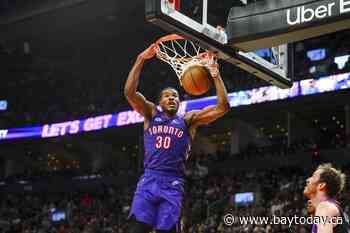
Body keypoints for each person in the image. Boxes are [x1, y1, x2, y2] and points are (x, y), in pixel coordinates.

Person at [124, 43, 229, 233]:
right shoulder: (150, 114)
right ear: (159, 102)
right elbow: (130, 93)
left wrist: (215, 74)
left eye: (175, 96)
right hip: (149, 180)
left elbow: (222, 107)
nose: (172, 98)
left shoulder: (188, 120)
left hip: (172, 183)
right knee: (136, 229)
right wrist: (141, 59)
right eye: (167, 96)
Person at [303, 163, 349, 233]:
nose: (307, 180)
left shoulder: (324, 207)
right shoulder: (330, 207)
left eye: (313, 176)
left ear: (321, 185)